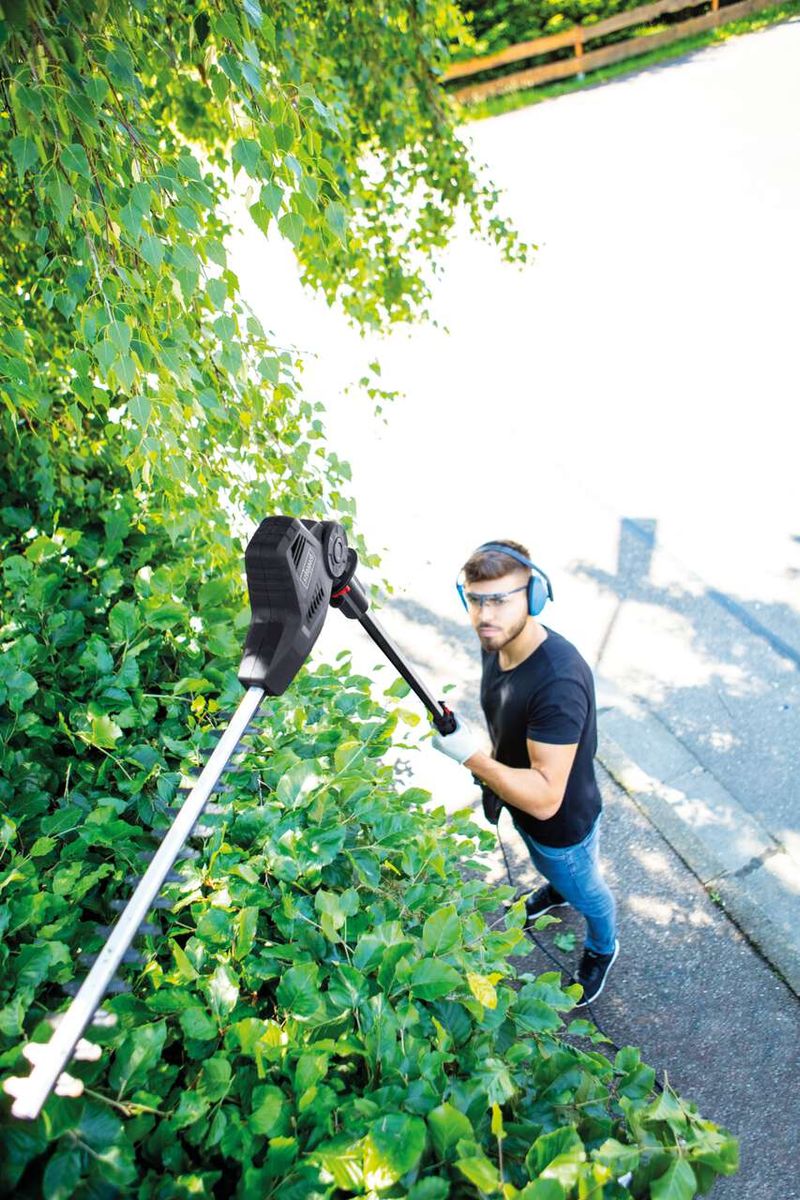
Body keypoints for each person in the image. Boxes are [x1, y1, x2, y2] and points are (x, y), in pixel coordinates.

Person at [431, 539, 619, 1006]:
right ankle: (558, 889)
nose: (484, 615)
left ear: (534, 597)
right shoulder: (496, 641)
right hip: (521, 805)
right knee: (557, 874)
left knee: (588, 891)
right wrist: (491, 764)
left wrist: (473, 758)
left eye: (500, 599)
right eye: (475, 600)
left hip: (561, 829)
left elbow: (546, 798)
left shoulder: (558, 682)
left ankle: (603, 946)